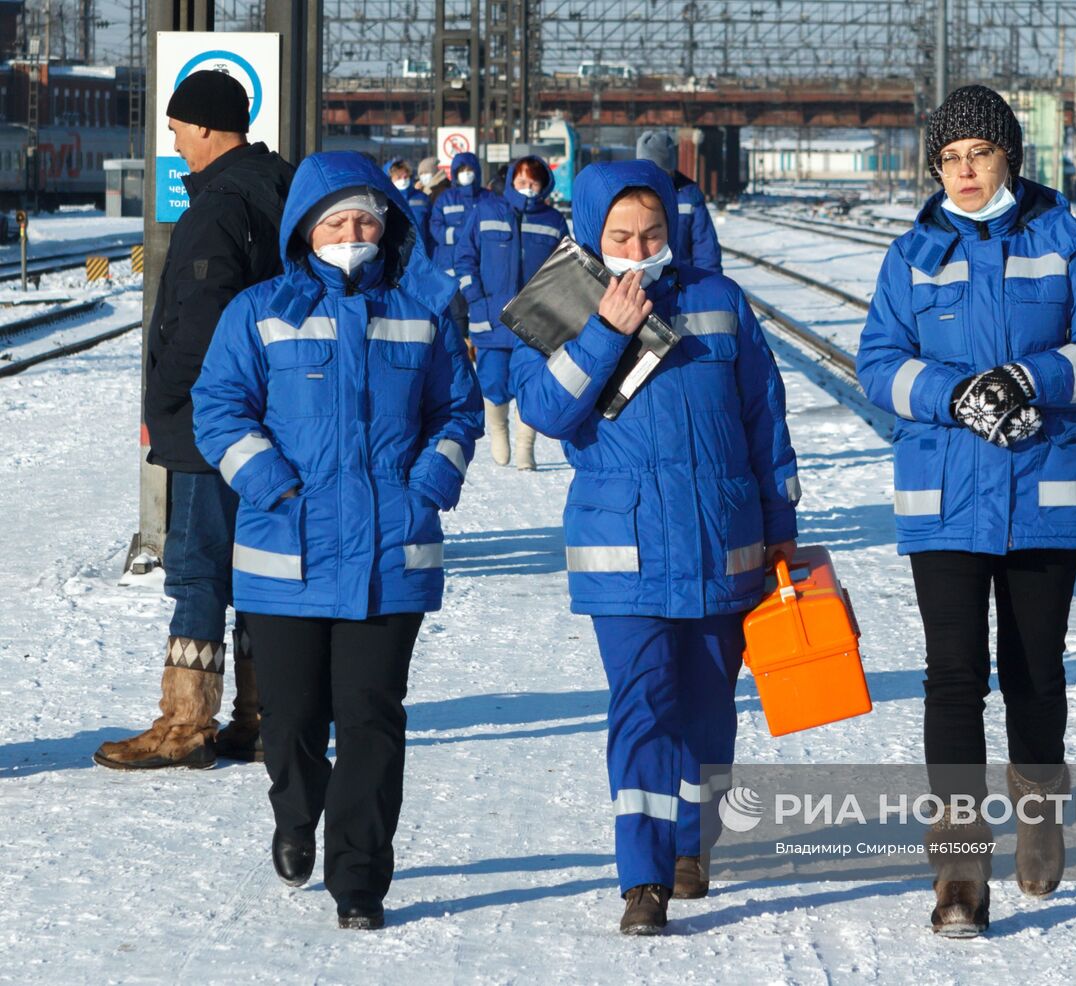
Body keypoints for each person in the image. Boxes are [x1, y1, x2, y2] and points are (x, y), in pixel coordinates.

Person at [855, 85, 1076, 938]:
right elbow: (877, 363)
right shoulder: (911, 254)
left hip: (1044, 491)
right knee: (951, 679)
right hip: (944, 497)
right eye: (949, 159)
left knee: (1034, 673)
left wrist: (1030, 379)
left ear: (1009, 154)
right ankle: (959, 873)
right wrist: (954, 393)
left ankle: (1041, 811)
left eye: (978, 154)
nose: (965, 172)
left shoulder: (1066, 241)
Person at [191, 152, 484, 930]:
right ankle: (297, 812)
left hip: (390, 556)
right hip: (285, 553)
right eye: (337, 222)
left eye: (366, 219)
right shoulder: (259, 311)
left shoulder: (422, 309)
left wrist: (426, 487)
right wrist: (273, 485)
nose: (353, 233)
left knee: (371, 720)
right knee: (289, 721)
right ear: (305, 231)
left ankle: (359, 879)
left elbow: (457, 412)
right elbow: (219, 408)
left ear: (387, 225)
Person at [512, 160, 801, 935]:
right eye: (621, 235)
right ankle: (642, 878)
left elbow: (764, 419)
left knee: (709, 710)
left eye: (652, 234)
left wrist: (781, 523)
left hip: (724, 541)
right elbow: (544, 410)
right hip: (625, 551)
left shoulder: (719, 302)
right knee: (642, 709)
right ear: (593, 236)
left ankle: (690, 846)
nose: (639, 247)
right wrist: (607, 330)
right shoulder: (563, 306)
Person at [94, 70, 293, 771]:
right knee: (258, 570)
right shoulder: (283, 188)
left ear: (208, 125)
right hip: (276, 417)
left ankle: (185, 723)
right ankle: (263, 718)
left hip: (215, 423)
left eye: (178, 129)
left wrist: (166, 399)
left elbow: (201, 323)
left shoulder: (218, 206)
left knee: (198, 571)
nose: (174, 144)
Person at [458, 155, 568, 470]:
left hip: (536, 320)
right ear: (510, 182)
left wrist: (554, 307)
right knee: (493, 381)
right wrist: (475, 298)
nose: (528, 188)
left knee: (531, 383)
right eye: (522, 182)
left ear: (544, 184)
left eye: (534, 183)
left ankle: (526, 447)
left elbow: (565, 268)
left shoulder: (553, 221)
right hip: (490, 315)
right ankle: (498, 431)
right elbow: (465, 257)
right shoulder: (486, 211)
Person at [635, 130, 722, 273]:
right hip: (641, 285)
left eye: (657, 170)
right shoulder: (628, 195)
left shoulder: (689, 196)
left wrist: (708, 287)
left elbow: (705, 249)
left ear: (669, 169)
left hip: (683, 285)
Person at [428, 150, 488, 286]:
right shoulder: (445, 198)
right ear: (455, 173)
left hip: (481, 263)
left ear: (477, 171)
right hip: (450, 264)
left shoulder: (487, 198)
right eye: (461, 170)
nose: (466, 174)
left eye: (469, 170)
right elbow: (435, 228)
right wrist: (461, 234)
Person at [386, 157, 432, 255]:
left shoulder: (422, 198)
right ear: (390, 178)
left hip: (420, 252)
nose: (403, 180)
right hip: (395, 254)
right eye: (398, 177)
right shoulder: (386, 199)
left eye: (405, 176)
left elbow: (430, 228)